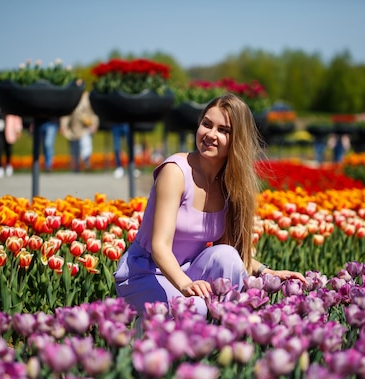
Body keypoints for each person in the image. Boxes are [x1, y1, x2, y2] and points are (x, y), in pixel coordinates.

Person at [114, 94, 306, 318]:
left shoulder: (229, 184)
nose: (211, 135)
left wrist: (266, 272)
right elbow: (160, 247)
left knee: (227, 255)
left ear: (237, 139)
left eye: (223, 130)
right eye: (207, 124)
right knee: (194, 306)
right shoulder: (175, 172)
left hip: (187, 270)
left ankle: (227, 330)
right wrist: (186, 286)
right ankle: (152, 335)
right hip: (145, 273)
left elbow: (229, 253)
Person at [60, 90, 99, 173]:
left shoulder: (87, 98)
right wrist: (63, 126)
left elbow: (93, 113)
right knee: (74, 149)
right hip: (74, 129)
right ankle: (76, 166)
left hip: (85, 128)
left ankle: (86, 161)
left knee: (86, 144)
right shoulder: (71, 98)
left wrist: (94, 124)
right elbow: (66, 114)